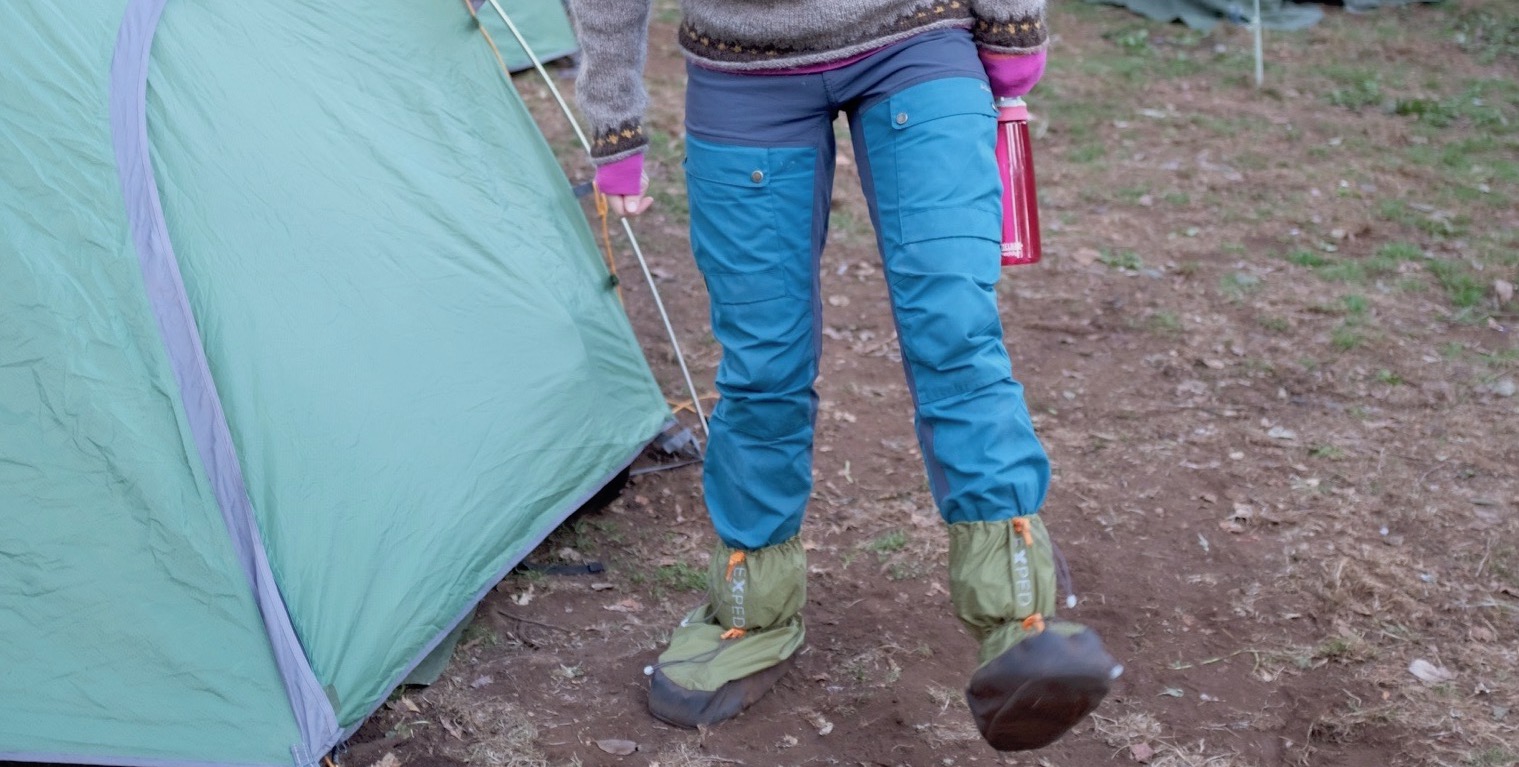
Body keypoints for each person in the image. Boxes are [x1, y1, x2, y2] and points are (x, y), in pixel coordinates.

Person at [564, 0, 1120, 751]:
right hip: (741, 67)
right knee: (762, 364)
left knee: (953, 329)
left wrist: (1013, 22)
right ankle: (750, 611)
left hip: (914, 38)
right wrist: (613, 118)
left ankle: (1017, 616)